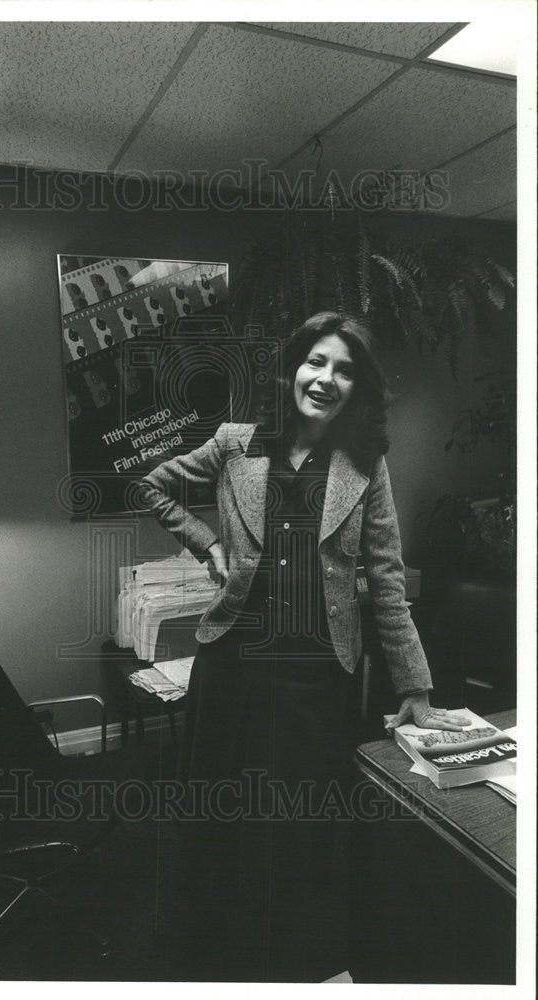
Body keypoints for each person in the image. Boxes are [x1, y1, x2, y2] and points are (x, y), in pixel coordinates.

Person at [137, 312, 468, 981]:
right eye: (317, 362)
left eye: (344, 369)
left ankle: (298, 962)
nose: (326, 379)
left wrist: (417, 691)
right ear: (292, 368)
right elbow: (153, 484)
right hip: (235, 663)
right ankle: (212, 954)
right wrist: (207, 546)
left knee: (303, 824)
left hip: (321, 675)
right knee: (223, 812)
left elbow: (388, 576)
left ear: (358, 386)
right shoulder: (237, 443)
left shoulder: (364, 464)